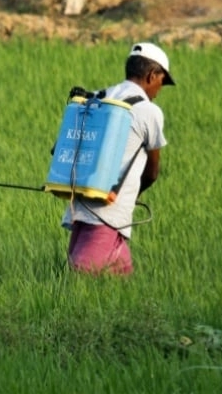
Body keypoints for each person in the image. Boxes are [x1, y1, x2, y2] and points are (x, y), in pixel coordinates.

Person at [61, 42, 174, 275]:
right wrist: (133, 197)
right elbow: (152, 172)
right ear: (153, 75)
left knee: (119, 276)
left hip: (82, 201)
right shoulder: (148, 111)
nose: (158, 91)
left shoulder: (100, 96)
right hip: (109, 211)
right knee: (82, 274)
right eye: (161, 82)